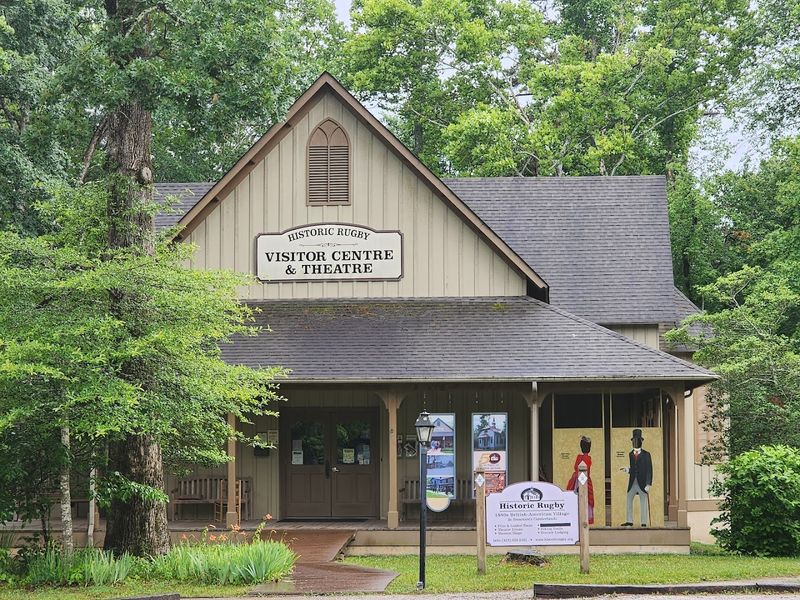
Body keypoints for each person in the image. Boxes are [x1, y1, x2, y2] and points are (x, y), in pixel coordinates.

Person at [620, 428, 652, 527]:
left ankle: (644, 522)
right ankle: (629, 521)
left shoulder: (646, 454)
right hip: (633, 482)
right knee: (629, 498)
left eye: (637, 440)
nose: (635, 442)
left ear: (641, 441)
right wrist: (628, 470)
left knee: (643, 502)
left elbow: (649, 470)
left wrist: (648, 484)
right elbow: (634, 469)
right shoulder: (630, 454)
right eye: (634, 440)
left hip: (642, 482)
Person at [566, 436, 594, 525]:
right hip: (582, 480)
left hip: (579, 480)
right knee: (584, 500)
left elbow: (581, 471)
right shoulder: (587, 458)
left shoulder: (580, 458)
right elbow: (584, 472)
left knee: (580, 500)